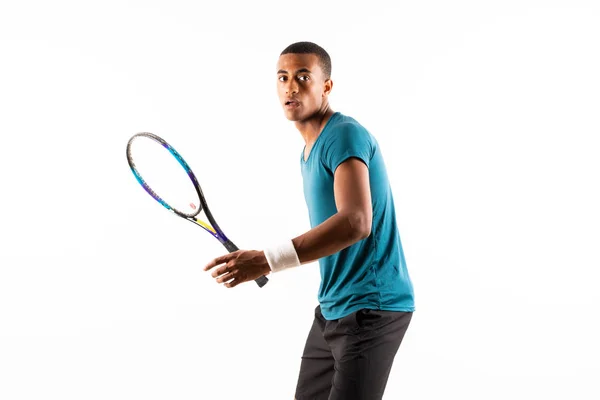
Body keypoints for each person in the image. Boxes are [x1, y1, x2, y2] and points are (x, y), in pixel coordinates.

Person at [203, 41, 415, 400]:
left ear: (326, 86)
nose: (291, 87)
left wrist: (267, 259)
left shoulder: (343, 135)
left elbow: (356, 222)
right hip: (333, 308)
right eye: (282, 77)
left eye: (303, 77)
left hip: (373, 308)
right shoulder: (309, 150)